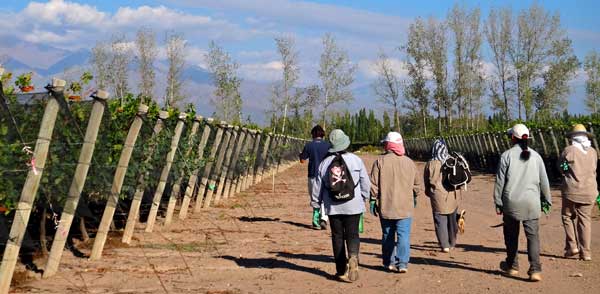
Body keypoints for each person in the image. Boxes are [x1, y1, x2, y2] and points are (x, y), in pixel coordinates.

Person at [494, 124, 551, 282]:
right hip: (532, 203)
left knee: (511, 235)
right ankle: (535, 270)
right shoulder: (536, 156)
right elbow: (544, 181)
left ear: (513, 138)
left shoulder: (506, 156)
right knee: (533, 236)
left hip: (511, 203)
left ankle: (512, 266)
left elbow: (499, 182)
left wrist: (498, 202)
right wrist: (547, 200)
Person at [313, 129, 370, 282]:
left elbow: (318, 187)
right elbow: (365, 182)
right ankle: (353, 256)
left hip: (333, 206)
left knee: (337, 236)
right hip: (354, 205)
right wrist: (364, 197)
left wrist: (316, 206)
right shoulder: (356, 160)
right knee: (352, 234)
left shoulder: (324, 164)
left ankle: (340, 269)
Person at [369, 131, 421, 273]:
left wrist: (373, 200)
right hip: (405, 207)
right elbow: (417, 185)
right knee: (404, 235)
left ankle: (388, 262)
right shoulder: (409, 162)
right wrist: (414, 197)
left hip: (386, 206)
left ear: (388, 145)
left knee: (387, 235)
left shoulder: (379, 162)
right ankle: (402, 263)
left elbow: (373, 185)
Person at [559, 124, 597, 261]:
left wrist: (567, 170)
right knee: (585, 221)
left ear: (572, 137)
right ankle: (586, 253)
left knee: (567, 216)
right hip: (590, 191)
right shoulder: (593, 152)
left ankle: (572, 246)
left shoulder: (568, 151)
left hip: (572, 190)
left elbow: (562, 167)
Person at [424, 139, 461, 253]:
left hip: (438, 195)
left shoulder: (431, 163)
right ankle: (452, 242)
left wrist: (428, 191)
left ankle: (444, 245)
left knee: (440, 221)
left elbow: (428, 180)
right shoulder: (452, 160)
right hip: (453, 194)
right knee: (452, 219)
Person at [299, 125, 331, 229]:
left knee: (315, 197)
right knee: (325, 197)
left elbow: (302, 161)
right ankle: (324, 218)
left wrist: (301, 155)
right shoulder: (328, 145)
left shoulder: (309, 145)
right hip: (326, 175)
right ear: (322, 134)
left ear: (312, 134)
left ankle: (315, 219)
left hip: (313, 174)